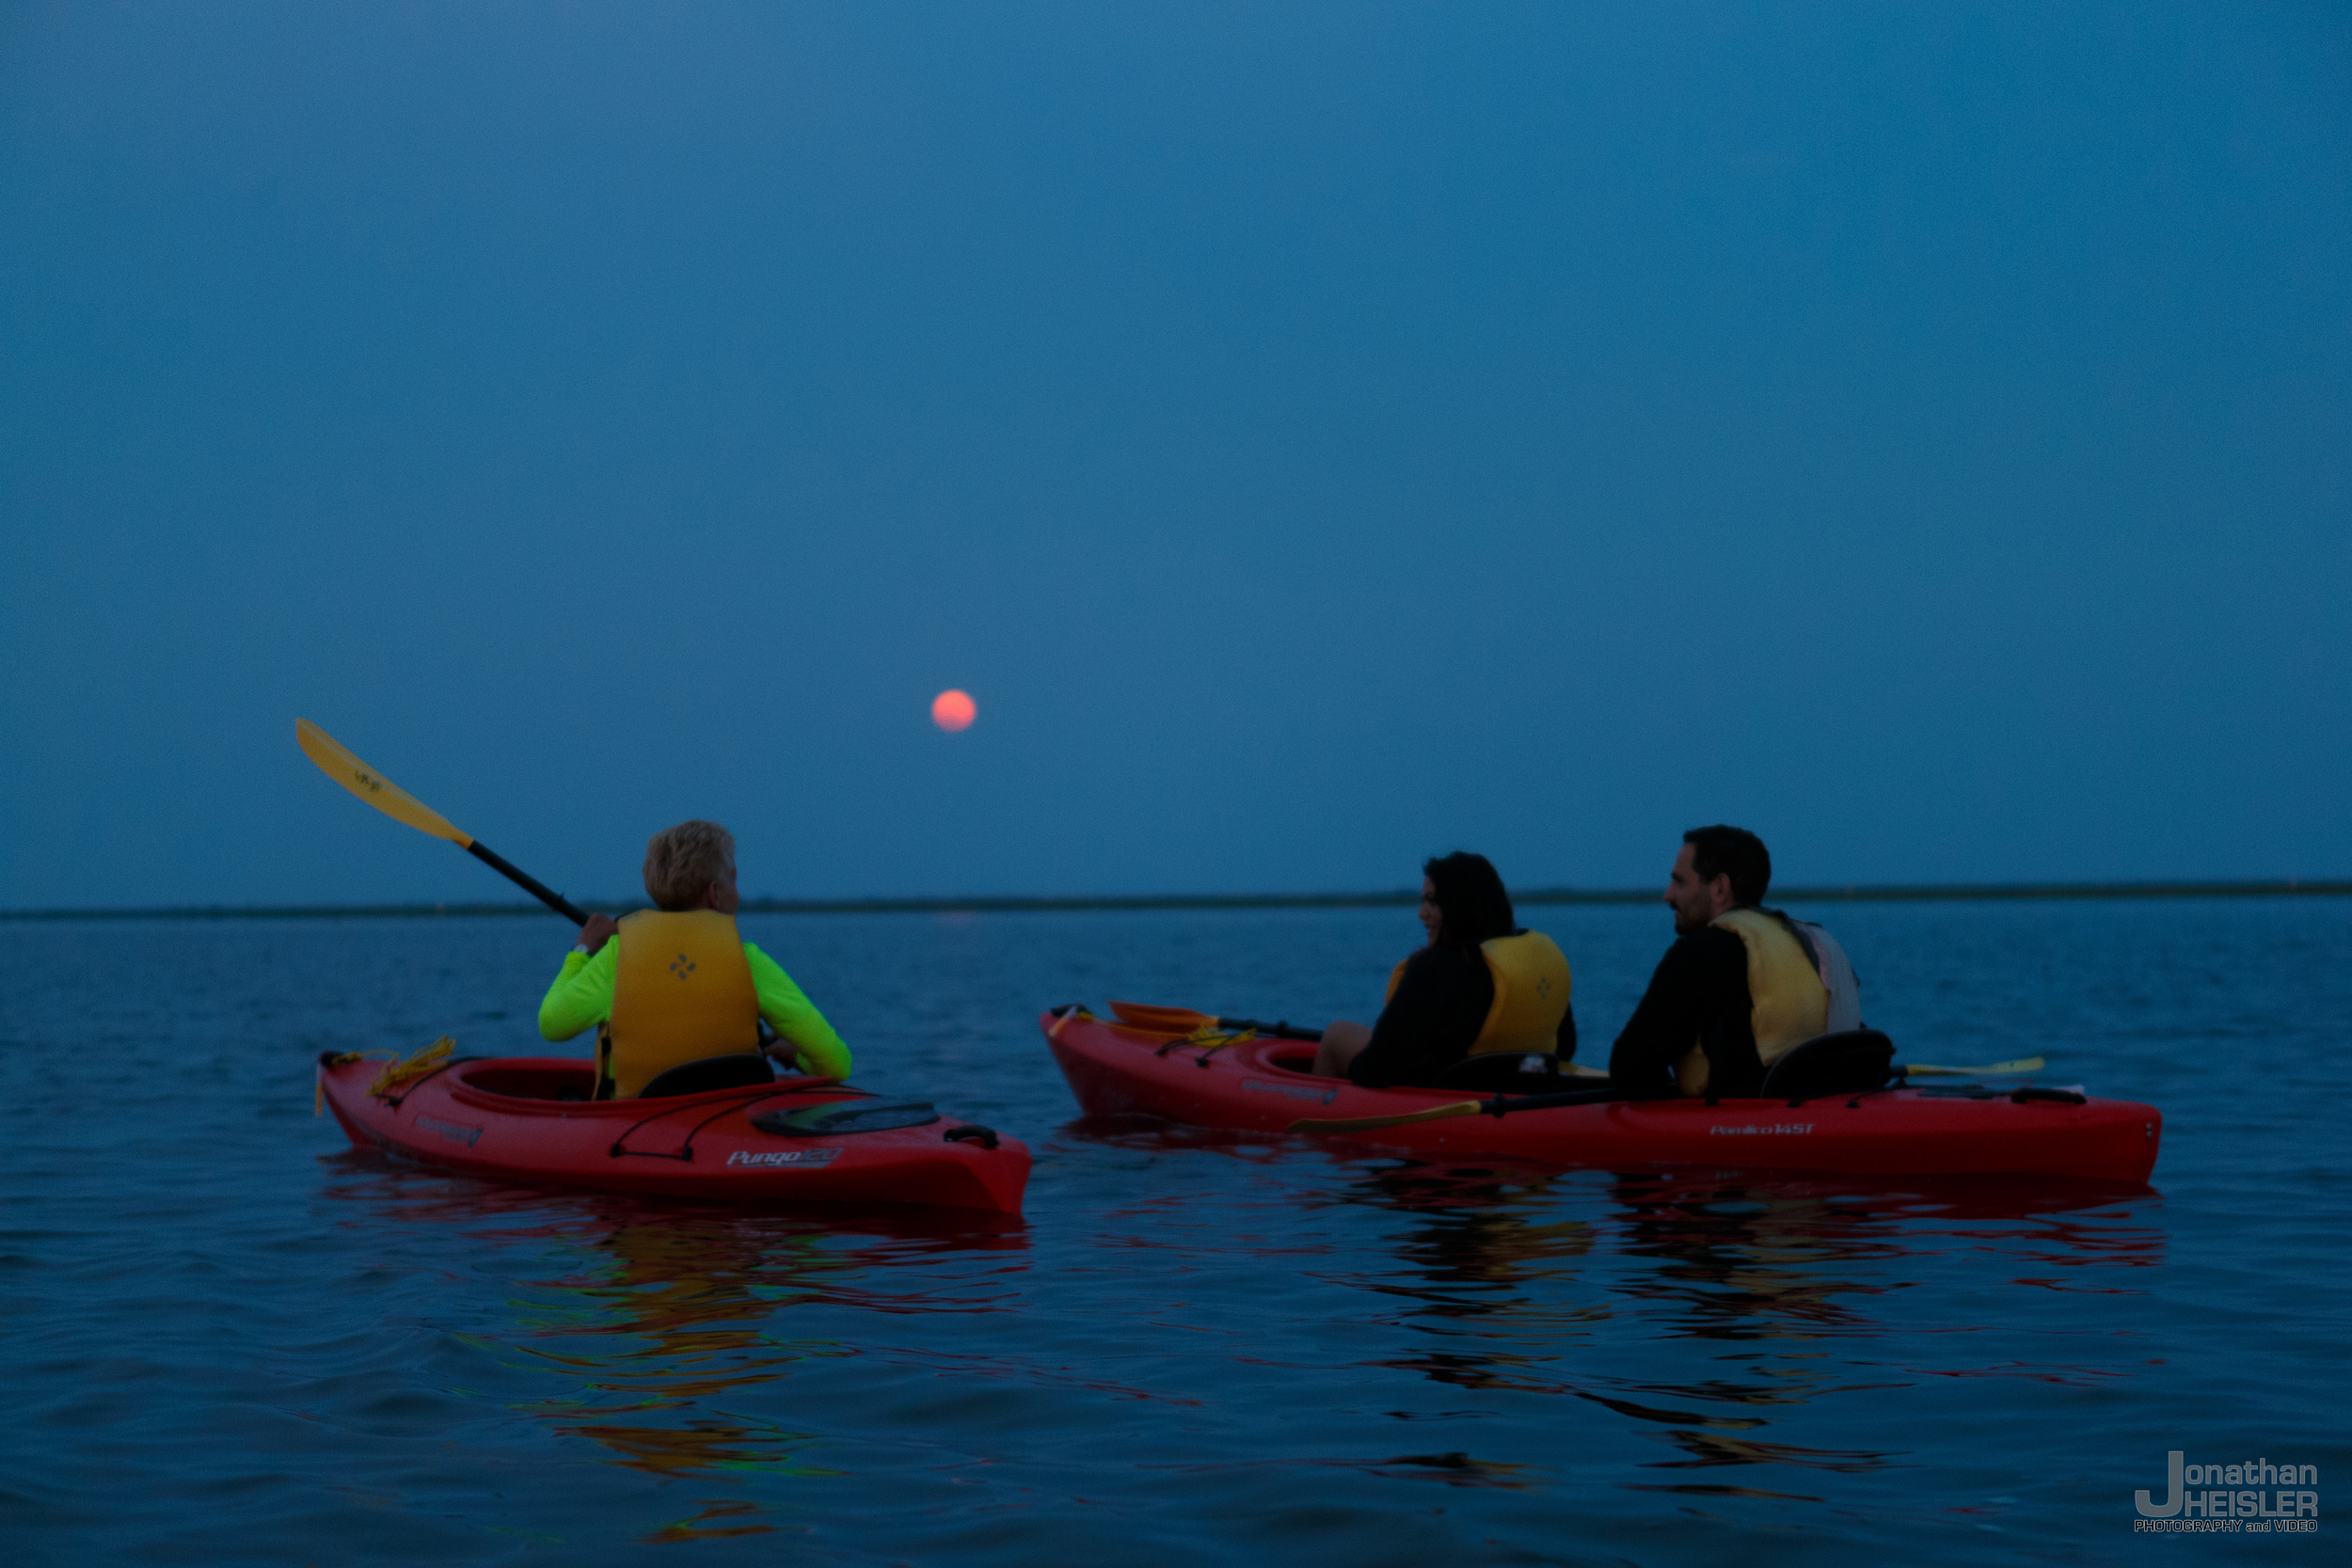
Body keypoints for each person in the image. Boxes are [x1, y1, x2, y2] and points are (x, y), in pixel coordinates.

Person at [537, 819, 853, 1099]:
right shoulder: (750, 962)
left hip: (635, 1126)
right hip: (725, 1121)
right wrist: (798, 1058)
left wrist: (582, 950)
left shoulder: (615, 957)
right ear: (716, 894)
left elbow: (552, 1025)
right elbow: (837, 1065)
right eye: (734, 879)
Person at [1607, 825, 1861, 1100]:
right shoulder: (1814, 942)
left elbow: (1629, 1068)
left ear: (1719, 888)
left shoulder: (1702, 952)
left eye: (1679, 882)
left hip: (1742, 1127)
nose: (1668, 895)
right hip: (1827, 1108)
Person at [1313, 851, 1577, 1087]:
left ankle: (1318, 1124)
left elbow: (1373, 1070)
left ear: (1459, 906)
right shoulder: (1529, 960)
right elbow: (1566, 1047)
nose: (1421, 914)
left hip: (1450, 1087)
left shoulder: (1437, 966)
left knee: (1336, 1033)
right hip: (1521, 1084)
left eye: (1432, 902)